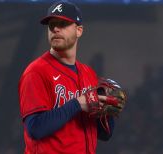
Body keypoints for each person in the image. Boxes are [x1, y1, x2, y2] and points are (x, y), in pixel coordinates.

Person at [18, 1, 115, 153]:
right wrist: (77, 104)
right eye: (51, 25)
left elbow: (104, 135)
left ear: (79, 30)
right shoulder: (36, 72)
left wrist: (107, 113)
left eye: (63, 24)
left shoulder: (88, 74)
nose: (55, 28)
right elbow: (35, 128)